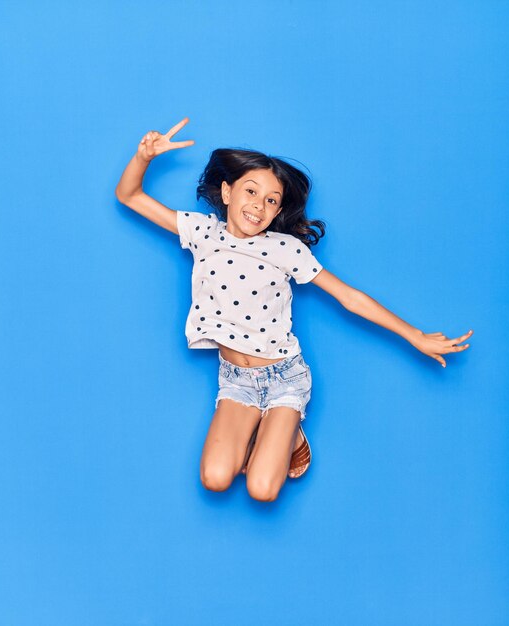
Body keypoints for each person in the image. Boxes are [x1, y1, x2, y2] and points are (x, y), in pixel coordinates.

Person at [115, 117, 473, 502]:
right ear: (227, 191)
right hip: (235, 380)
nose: (258, 205)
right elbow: (129, 196)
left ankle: (290, 431)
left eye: (271, 200)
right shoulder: (202, 232)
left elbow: (348, 296)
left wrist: (414, 336)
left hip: (285, 375)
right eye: (250, 191)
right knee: (216, 479)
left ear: (277, 211)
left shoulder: (286, 249)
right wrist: (142, 157)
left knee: (262, 489)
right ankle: (272, 430)